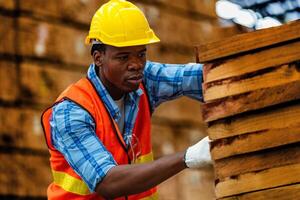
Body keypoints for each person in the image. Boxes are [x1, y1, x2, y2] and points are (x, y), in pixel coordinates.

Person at [41, 0, 212, 199]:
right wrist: (188, 157)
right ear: (98, 58)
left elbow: (202, 76)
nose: (136, 65)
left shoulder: (144, 80)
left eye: (141, 54)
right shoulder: (71, 112)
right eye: (123, 57)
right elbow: (107, 182)